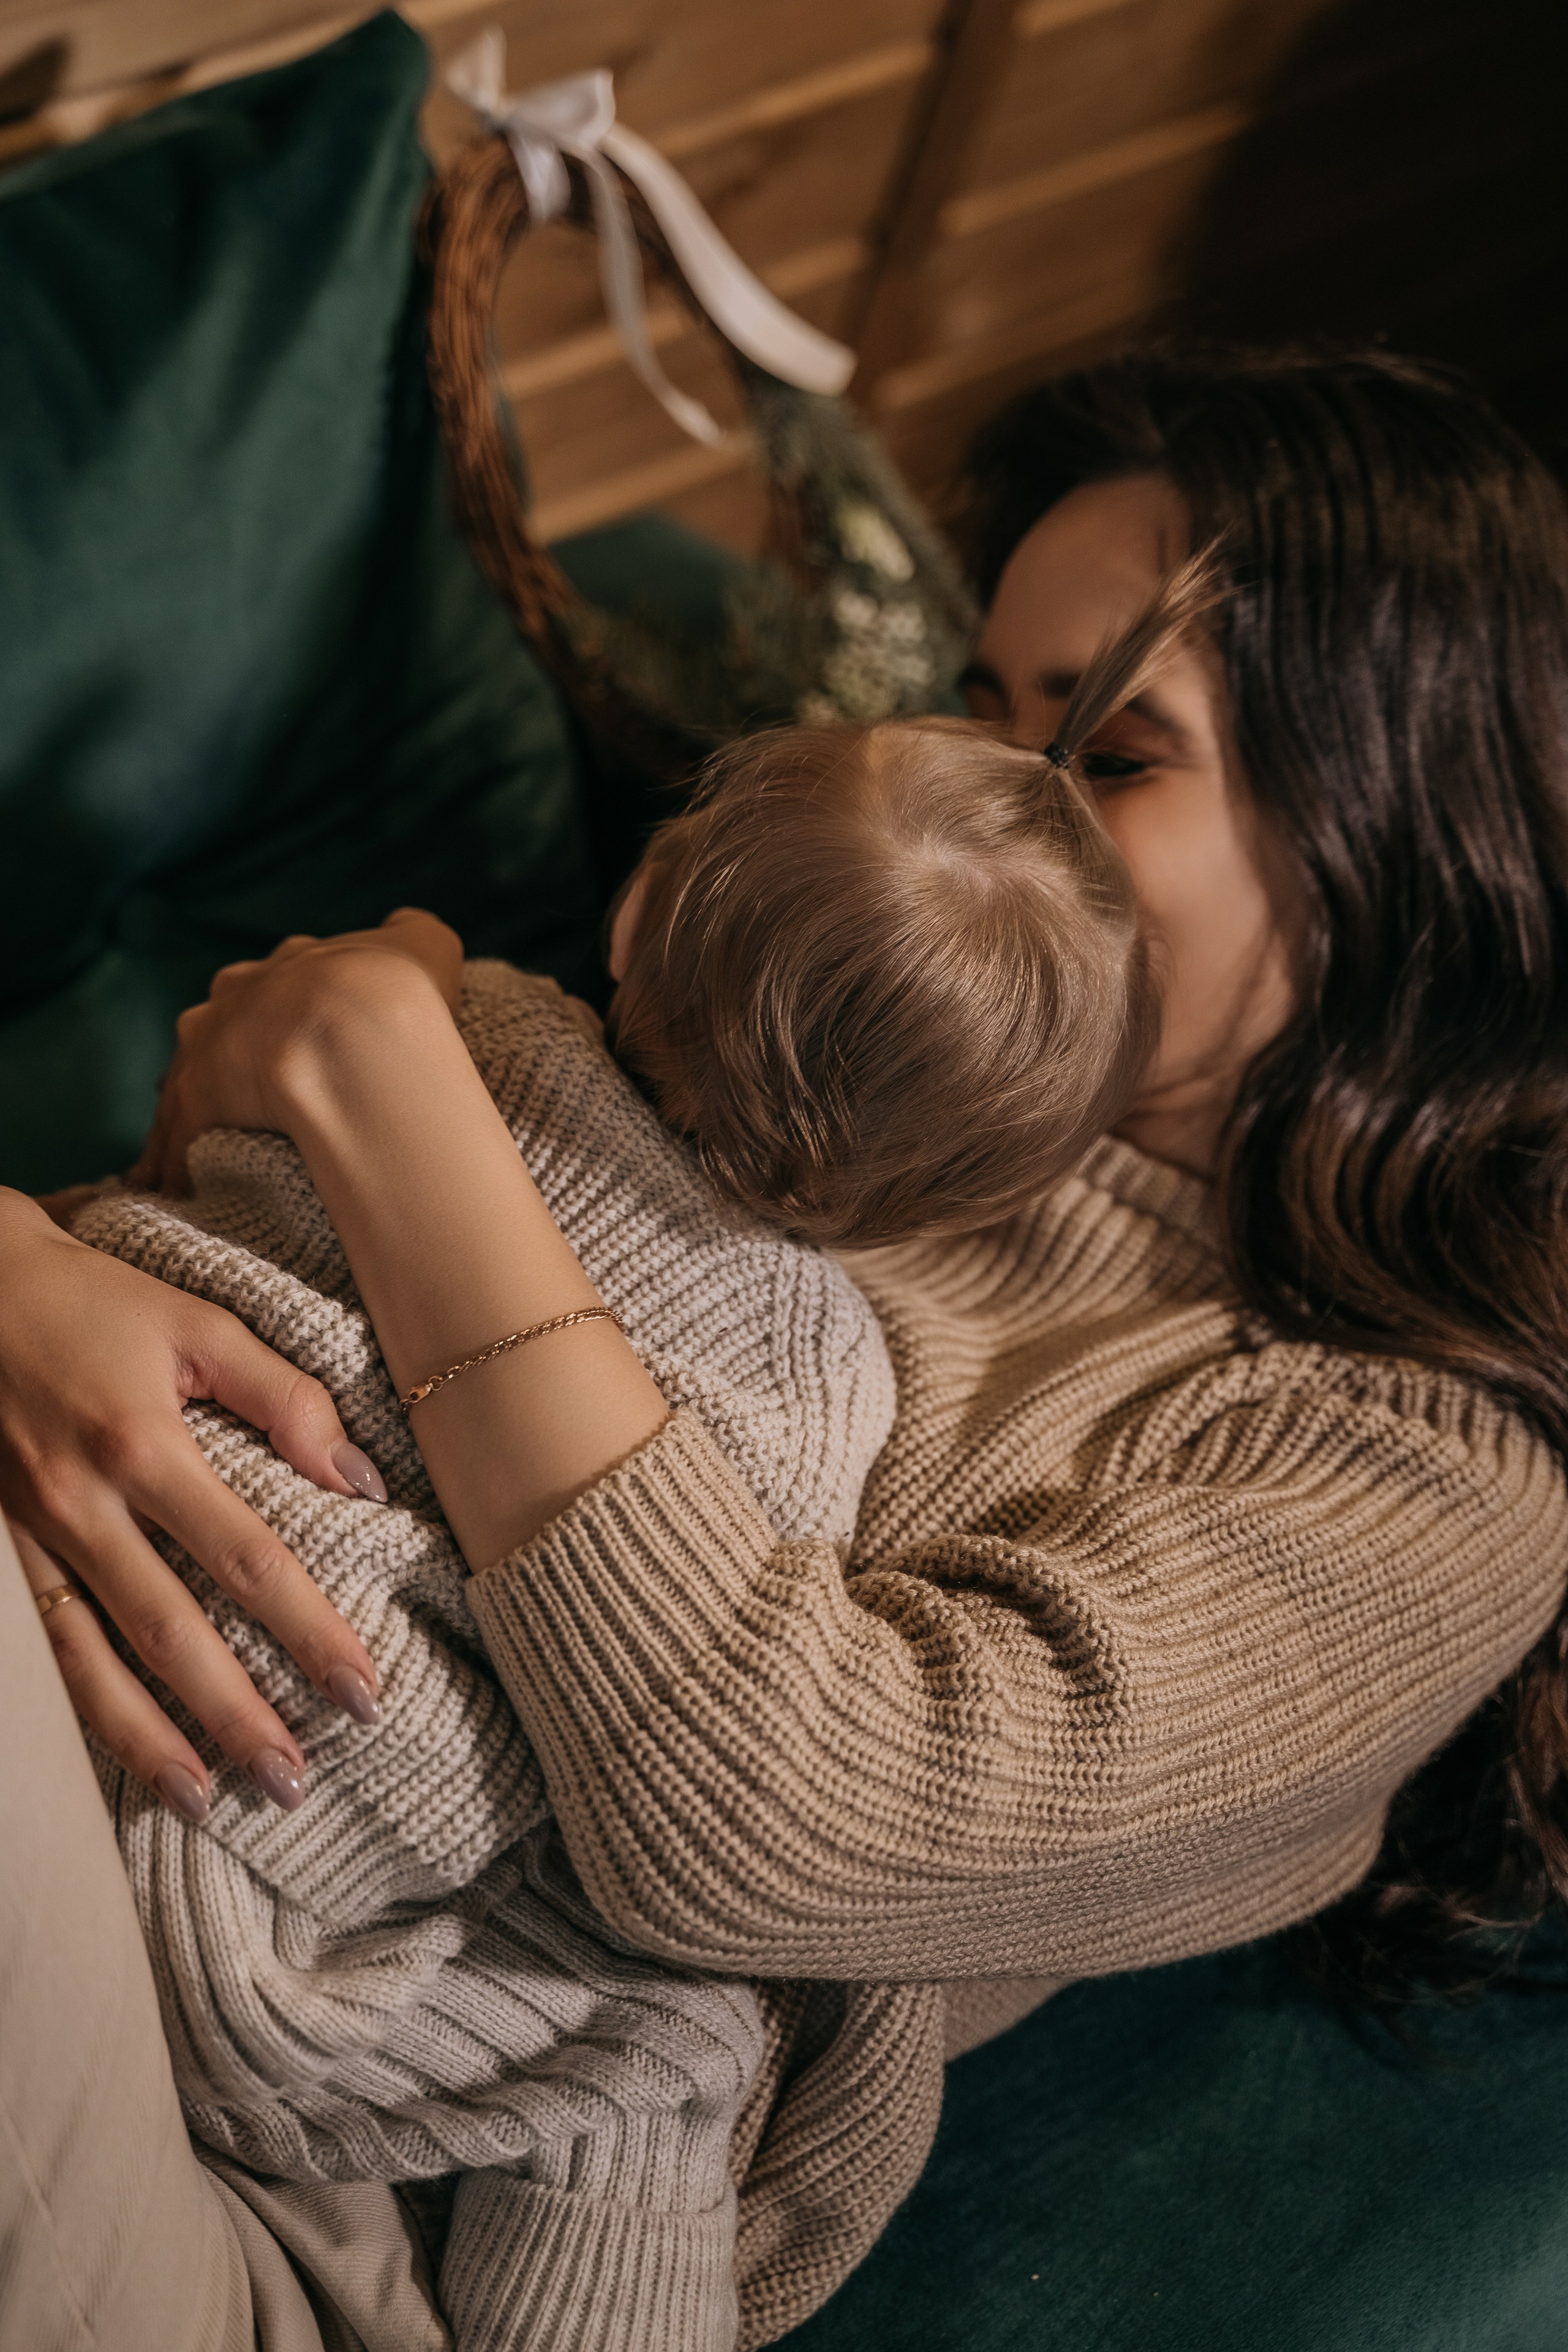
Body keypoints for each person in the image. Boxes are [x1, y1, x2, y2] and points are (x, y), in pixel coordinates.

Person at [4, 345, 1568, 2352]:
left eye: (1110, 753)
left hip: (325, 2178)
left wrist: (405, 1097)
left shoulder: (1417, 1468)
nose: (1002, 815)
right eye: (984, 713)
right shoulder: (812, 1057)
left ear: (1399, 832)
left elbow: (778, 1817)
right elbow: (226, 1285)